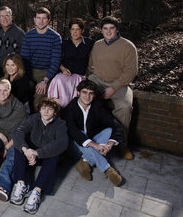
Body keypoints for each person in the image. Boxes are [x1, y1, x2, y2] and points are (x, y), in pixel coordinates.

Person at [88, 16, 138, 160]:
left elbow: (130, 72)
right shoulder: (97, 45)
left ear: (117, 29)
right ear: (101, 30)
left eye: (111, 28)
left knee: (124, 108)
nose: (108, 32)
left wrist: (113, 88)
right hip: (98, 80)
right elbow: (91, 64)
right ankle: (89, 142)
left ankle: (122, 145)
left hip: (119, 84)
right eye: (105, 29)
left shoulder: (127, 46)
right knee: (85, 100)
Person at [10, 98, 68, 214]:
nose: (46, 112)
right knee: (18, 146)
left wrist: (37, 153)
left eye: (50, 109)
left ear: (55, 112)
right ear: (39, 110)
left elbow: (62, 143)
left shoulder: (60, 124)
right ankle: (21, 184)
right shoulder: (34, 118)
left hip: (46, 155)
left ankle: (36, 192)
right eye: (43, 109)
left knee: (55, 155)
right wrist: (26, 150)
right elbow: (18, 131)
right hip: (31, 153)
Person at [64, 80, 123, 186]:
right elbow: (73, 131)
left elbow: (116, 126)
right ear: (78, 93)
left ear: (94, 95)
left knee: (109, 130)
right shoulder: (70, 108)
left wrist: (109, 144)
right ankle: (107, 169)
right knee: (80, 134)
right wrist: (95, 146)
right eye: (84, 92)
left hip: (92, 141)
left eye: (91, 93)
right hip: (74, 146)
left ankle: (85, 162)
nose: (87, 96)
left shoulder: (97, 106)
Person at [20, 7, 62, 110]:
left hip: (46, 72)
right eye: (38, 18)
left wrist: (45, 80)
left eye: (44, 18)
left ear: (48, 20)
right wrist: (28, 79)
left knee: (39, 97)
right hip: (29, 71)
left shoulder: (55, 37)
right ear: (34, 19)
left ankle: (37, 120)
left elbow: (55, 61)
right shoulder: (28, 37)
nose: (41, 21)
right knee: (22, 91)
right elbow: (24, 59)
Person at [48, 18, 95, 107]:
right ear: (70, 31)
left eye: (77, 29)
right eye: (73, 29)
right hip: (66, 74)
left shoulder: (89, 43)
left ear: (82, 30)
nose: (75, 32)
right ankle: (55, 107)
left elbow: (95, 58)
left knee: (79, 89)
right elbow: (56, 58)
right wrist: (63, 68)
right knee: (57, 80)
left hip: (80, 76)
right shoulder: (64, 43)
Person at [0, 6, 25, 77]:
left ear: (11, 17)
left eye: (7, 15)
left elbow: (23, 54)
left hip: (13, 71)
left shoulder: (19, 33)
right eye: (2, 16)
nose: (5, 19)